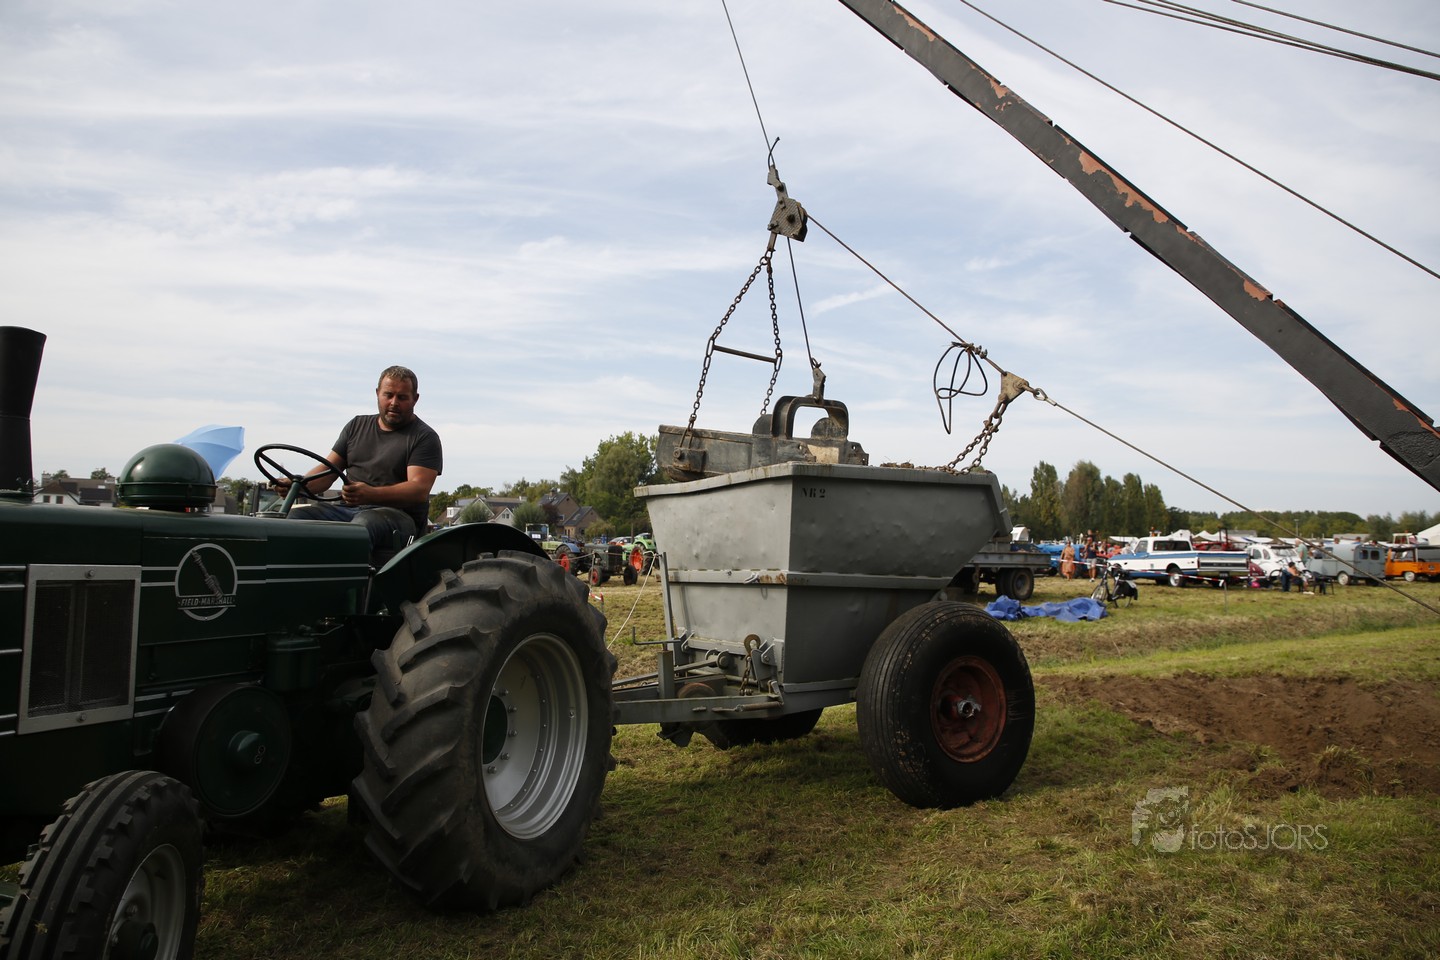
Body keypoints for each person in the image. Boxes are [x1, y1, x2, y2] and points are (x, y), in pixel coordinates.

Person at [276, 365, 442, 553]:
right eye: (388, 395)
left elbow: (418, 490)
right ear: (377, 393)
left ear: (415, 399)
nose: (394, 402)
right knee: (294, 518)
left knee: (362, 525)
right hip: (347, 510)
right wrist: (297, 486)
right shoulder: (356, 426)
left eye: (402, 397)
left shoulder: (424, 437)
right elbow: (327, 473)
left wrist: (371, 494)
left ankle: (348, 572)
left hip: (398, 517)